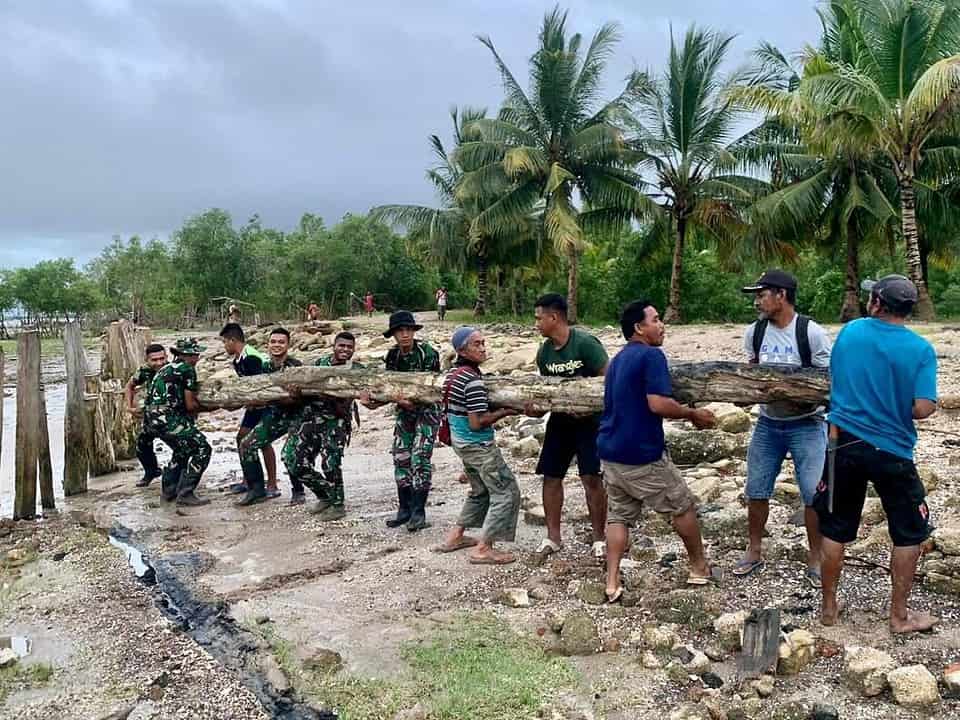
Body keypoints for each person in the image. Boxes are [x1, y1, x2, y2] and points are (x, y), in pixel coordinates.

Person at [814, 275, 938, 633]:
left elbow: (836, 378)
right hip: (893, 449)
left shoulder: (851, 332)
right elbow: (924, 407)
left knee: (836, 528)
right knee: (908, 532)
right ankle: (899, 616)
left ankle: (829, 608)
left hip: (844, 444)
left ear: (877, 304)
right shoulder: (921, 350)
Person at [599, 300, 719, 601]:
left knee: (618, 516)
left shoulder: (617, 360)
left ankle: (611, 581)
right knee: (682, 505)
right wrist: (693, 414)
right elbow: (658, 403)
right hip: (642, 454)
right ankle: (699, 567)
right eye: (655, 319)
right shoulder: (652, 356)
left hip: (611, 452)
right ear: (639, 328)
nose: (661, 324)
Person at [735, 270, 832, 587]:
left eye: (762, 294)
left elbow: (827, 381)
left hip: (807, 424)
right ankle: (754, 550)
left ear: (781, 295)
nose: (757, 300)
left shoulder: (811, 332)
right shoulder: (755, 332)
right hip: (768, 423)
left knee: (812, 494)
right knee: (756, 488)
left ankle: (816, 558)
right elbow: (751, 372)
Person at [530, 293, 609, 560]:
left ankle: (599, 538)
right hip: (559, 422)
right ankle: (553, 537)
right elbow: (545, 392)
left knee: (591, 478)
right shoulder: (545, 353)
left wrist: (590, 407)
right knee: (551, 476)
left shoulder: (586, 344)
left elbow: (608, 382)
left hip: (590, 423)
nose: (536, 324)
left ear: (555, 317)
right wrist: (533, 407)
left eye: (539, 318)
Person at [434, 327, 521, 564]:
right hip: (478, 445)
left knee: (479, 490)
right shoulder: (472, 380)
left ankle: (455, 537)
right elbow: (476, 422)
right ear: (462, 349)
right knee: (506, 491)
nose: (483, 348)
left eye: (483, 343)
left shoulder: (453, 374)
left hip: (460, 443)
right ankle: (484, 548)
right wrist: (506, 411)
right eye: (476, 344)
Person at [284, 332, 365, 521]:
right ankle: (326, 495)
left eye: (349, 347)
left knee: (330, 463)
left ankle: (338, 504)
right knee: (292, 460)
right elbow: (302, 390)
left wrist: (332, 395)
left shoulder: (356, 369)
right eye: (341, 346)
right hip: (310, 419)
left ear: (353, 349)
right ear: (334, 346)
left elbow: (349, 402)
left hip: (335, 421)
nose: (345, 349)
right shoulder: (319, 364)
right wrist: (295, 393)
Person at [383, 310, 441, 531]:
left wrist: (406, 399)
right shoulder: (392, 356)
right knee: (401, 457)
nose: (405, 334)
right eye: (400, 331)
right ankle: (404, 509)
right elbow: (388, 385)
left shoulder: (427, 353)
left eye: (408, 330)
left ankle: (419, 511)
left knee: (420, 457)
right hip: (404, 412)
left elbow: (430, 386)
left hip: (428, 410)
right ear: (394, 334)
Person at [236, 328, 305, 506]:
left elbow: (299, 399)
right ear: (268, 344)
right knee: (246, 444)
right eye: (273, 342)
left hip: (296, 416)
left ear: (288, 345)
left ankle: (298, 491)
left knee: (290, 453)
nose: (276, 345)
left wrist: (290, 397)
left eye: (281, 342)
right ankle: (257, 490)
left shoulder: (296, 366)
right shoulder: (264, 366)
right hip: (274, 416)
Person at [142, 338, 212, 506]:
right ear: (188, 355)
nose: (198, 358)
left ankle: (169, 491)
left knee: (182, 448)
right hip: (168, 420)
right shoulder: (187, 369)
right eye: (196, 354)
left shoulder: (166, 368)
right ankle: (186, 493)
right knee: (203, 448)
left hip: (151, 422)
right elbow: (190, 405)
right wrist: (212, 408)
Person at [219, 323, 278, 497]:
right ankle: (248, 479)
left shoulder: (252, 358)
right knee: (242, 438)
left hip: (265, 405)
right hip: (253, 405)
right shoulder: (238, 360)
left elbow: (261, 385)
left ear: (232, 340)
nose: (224, 346)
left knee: (263, 441)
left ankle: (272, 485)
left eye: (225, 342)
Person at [126, 343, 170, 487]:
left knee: (179, 445)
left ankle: (178, 475)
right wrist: (130, 407)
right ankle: (151, 471)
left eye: (162, 359)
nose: (159, 363)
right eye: (154, 360)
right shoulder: (144, 371)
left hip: (172, 415)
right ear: (147, 360)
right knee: (141, 445)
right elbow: (129, 385)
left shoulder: (172, 370)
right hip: (152, 414)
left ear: (166, 357)